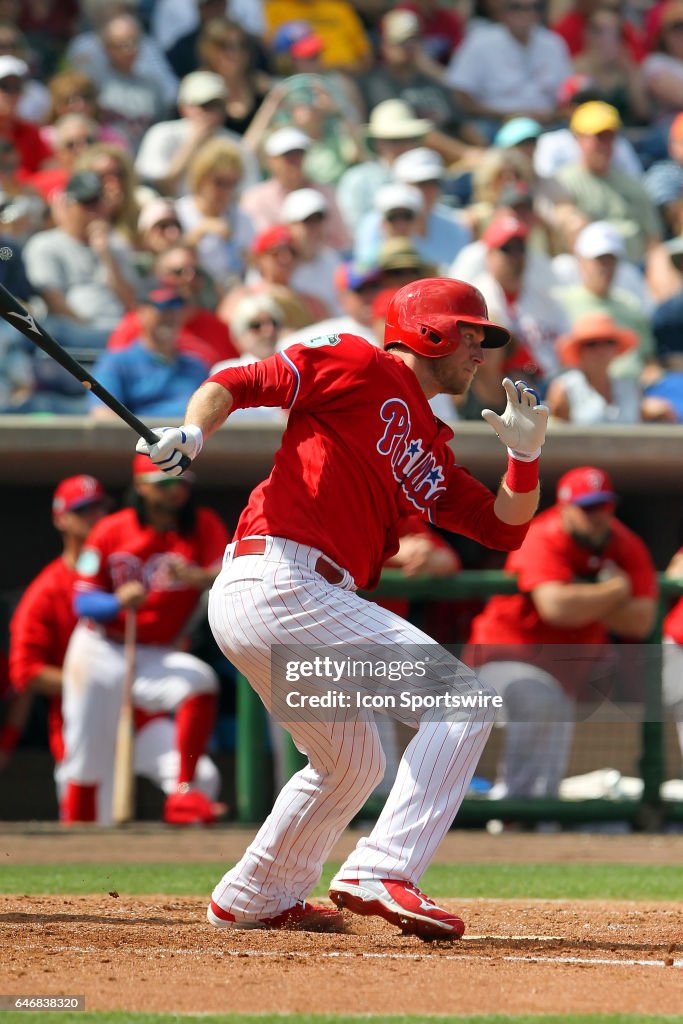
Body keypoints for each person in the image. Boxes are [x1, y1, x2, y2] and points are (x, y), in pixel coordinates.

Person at [136, 276, 548, 938]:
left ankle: (253, 894)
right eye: (470, 336)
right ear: (429, 332)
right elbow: (240, 382)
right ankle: (381, 869)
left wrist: (523, 458)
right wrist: (191, 430)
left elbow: (502, 529)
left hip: (290, 597)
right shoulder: (359, 361)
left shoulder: (428, 442)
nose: (480, 352)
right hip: (283, 580)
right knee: (460, 702)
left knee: (352, 762)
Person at [9, 474, 223, 824]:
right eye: (83, 510)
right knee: (88, 782)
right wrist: (116, 603)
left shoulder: (198, 527)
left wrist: (194, 577)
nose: (94, 516)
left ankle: (182, 798)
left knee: (200, 687)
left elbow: (219, 572)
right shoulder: (95, 546)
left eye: (98, 507)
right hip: (102, 649)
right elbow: (81, 607)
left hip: (148, 659)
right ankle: (76, 868)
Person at [467, 466, 658, 799]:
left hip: (569, 668)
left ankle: (547, 814)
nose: (597, 516)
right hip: (503, 658)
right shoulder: (542, 535)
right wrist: (615, 591)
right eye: (587, 508)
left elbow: (642, 621)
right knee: (541, 700)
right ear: (565, 507)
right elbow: (556, 607)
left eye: (603, 506)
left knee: (609, 691)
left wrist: (588, 600)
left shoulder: (625, 543)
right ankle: (520, 814)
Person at [22, 169, 139, 354]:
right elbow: (54, 302)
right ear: (68, 205)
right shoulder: (44, 244)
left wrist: (106, 256)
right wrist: (91, 331)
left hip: (119, 330)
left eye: (98, 202)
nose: (94, 211)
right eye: (86, 204)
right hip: (73, 332)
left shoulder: (116, 244)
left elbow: (132, 304)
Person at [445, 0, 572, 141]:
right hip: (497, 123)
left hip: (548, 123)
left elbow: (566, 92)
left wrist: (553, 114)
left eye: (534, 7)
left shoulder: (553, 43)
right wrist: (510, 115)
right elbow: (460, 96)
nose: (526, 14)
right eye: (516, 7)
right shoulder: (480, 42)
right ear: (502, 11)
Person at [555, 101, 662, 264]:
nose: (605, 145)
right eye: (598, 137)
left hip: (635, 269)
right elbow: (564, 227)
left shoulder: (631, 183)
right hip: (590, 268)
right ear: (578, 138)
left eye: (610, 137)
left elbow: (654, 239)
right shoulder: (563, 182)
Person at [88, 284, 211, 419]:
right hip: (146, 437)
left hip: (194, 437)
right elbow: (102, 413)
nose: (170, 315)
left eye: (176, 307)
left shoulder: (195, 365)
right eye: (162, 307)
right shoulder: (117, 362)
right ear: (141, 312)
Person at [546, 312, 643, 424]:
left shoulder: (631, 388)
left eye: (608, 342)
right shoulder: (564, 388)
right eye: (591, 344)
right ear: (579, 351)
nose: (601, 350)